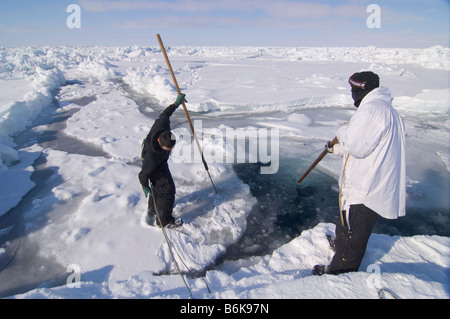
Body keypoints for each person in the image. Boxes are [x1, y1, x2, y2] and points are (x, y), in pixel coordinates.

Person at [313, 71, 406, 275]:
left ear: (361, 89)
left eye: (354, 89)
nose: (352, 93)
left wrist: (342, 131)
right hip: (370, 180)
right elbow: (365, 143)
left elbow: (356, 146)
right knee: (347, 225)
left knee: (354, 233)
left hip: (366, 187)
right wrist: (336, 149)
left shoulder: (372, 111)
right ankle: (341, 246)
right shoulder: (382, 109)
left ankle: (339, 273)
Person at [138, 94, 186, 228]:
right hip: (155, 165)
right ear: (159, 141)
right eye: (166, 148)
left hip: (160, 162)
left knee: (159, 188)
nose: (169, 150)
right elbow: (144, 173)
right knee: (168, 190)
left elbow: (165, 114)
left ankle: (153, 209)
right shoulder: (151, 158)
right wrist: (145, 186)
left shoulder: (162, 124)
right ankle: (163, 221)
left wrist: (176, 104)